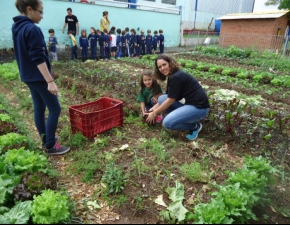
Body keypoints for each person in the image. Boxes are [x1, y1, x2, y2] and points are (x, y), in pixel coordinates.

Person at [12, 0, 70, 155]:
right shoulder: (32, 29)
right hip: (39, 77)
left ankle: (45, 139)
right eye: (40, 12)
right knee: (55, 108)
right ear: (29, 9)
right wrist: (50, 81)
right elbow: (38, 57)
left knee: (39, 107)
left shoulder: (17, 27)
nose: (42, 16)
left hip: (28, 76)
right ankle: (51, 145)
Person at [145, 54, 210, 140]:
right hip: (189, 105)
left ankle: (195, 126)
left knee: (167, 123)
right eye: (159, 67)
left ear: (170, 63)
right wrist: (153, 109)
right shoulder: (172, 76)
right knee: (161, 98)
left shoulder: (176, 77)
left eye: (164, 64)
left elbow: (170, 101)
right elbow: (168, 96)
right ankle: (184, 119)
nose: (162, 68)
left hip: (199, 108)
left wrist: (154, 113)